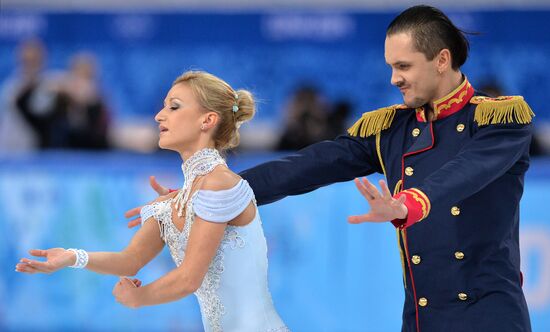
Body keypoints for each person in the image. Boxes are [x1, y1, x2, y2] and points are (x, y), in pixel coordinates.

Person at [130, 5, 534, 331]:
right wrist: (212, 191)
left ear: (442, 60)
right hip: (423, 318)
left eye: (404, 67)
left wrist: (408, 204)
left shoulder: (500, 121)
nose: (394, 78)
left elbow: (468, 171)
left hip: (489, 316)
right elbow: (308, 166)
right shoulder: (392, 130)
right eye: (391, 66)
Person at [15, 71, 289, 332]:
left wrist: (140, 298)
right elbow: (129, 260)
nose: (159, 116)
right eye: (164, 107)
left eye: (174, 107)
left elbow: (188, 278)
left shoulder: (220, 184)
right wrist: (73, 256)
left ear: (207, 121)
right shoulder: (174, 202)